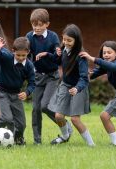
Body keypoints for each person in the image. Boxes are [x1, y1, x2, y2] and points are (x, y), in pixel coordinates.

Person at [26, 8, 72, 145]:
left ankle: (65, 125)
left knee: (45, 106)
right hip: (38, 77)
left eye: (40, 24)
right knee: (35, 109)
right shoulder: (29, 36)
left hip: (52, 76)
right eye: (34, 25)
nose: (37, 27)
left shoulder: (53, 37)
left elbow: (57, 60)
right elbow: (27, 56)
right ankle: (37, 140)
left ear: (47, 24)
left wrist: (55, 53)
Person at [48, 24, 95, 146]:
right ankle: (65, 136)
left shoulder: (81, 56)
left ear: (76, 40)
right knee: (58, 116)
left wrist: (77, 88)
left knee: (75, 119)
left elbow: (84, 78)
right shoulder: (63, 49)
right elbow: (57, 61)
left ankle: (91, 145)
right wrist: (54, 55)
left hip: (79, 87)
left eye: (69, 40)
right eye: (64, 39)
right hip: (65, 84)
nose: (66, 42)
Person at [0, 36, 35, 145]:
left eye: (24, 55)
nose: (21, 58)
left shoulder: (29, 66)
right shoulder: (7, 57)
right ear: (13, 51)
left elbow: (32, 83)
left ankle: (18, 139)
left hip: (16, 95)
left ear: (28, 52)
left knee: (22, 124)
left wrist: (26, 92)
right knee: (6, 118)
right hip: (2, 92)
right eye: (18, 55)